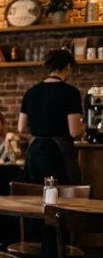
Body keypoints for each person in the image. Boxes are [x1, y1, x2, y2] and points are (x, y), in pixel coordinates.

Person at [19, 49, 83, 185]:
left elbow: (21, 127)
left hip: (35, 152)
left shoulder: (31, 92)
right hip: (60, 153)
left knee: (33, 195)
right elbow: (74, 131)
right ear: (68, 67)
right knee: (63, 197)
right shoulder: (71, 93)